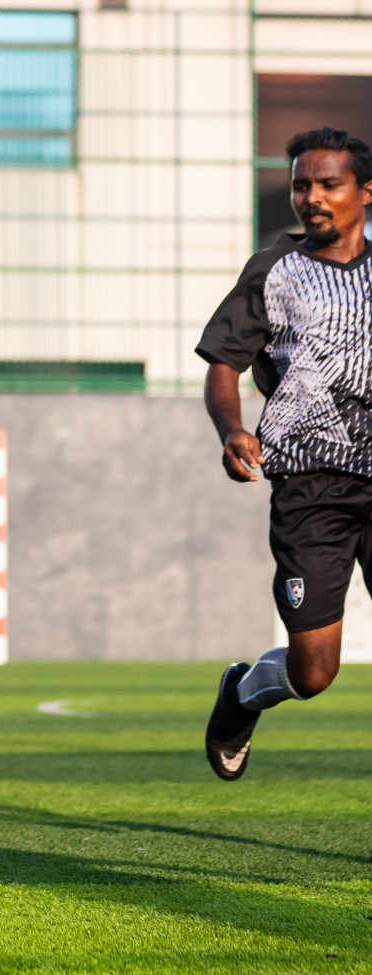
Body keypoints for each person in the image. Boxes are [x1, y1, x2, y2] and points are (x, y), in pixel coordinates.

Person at [198, 126, 372, 780]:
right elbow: (222, 364)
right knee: (315, 671)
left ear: (365, 192)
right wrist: (232, 431)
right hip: (309, 491)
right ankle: (243, 695)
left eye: (330, 184)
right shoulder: (272, 270)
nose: (313, 197)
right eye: (303, 184)